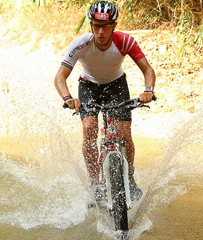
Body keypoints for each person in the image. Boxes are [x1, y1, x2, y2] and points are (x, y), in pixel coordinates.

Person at [54, 1, 156, 200]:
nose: (100, 31)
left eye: (106, 26)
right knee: (89, 126)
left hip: (116, 86)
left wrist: (148, 91)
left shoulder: (125, 41)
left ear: (114, 26)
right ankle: (94, 183)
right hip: (88, 86)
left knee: (124, 133)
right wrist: (68, 98)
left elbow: (148, 70)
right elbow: (60, 77)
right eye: (96, 26)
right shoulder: (81, 44)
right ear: (91, 25)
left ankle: (130, 177)